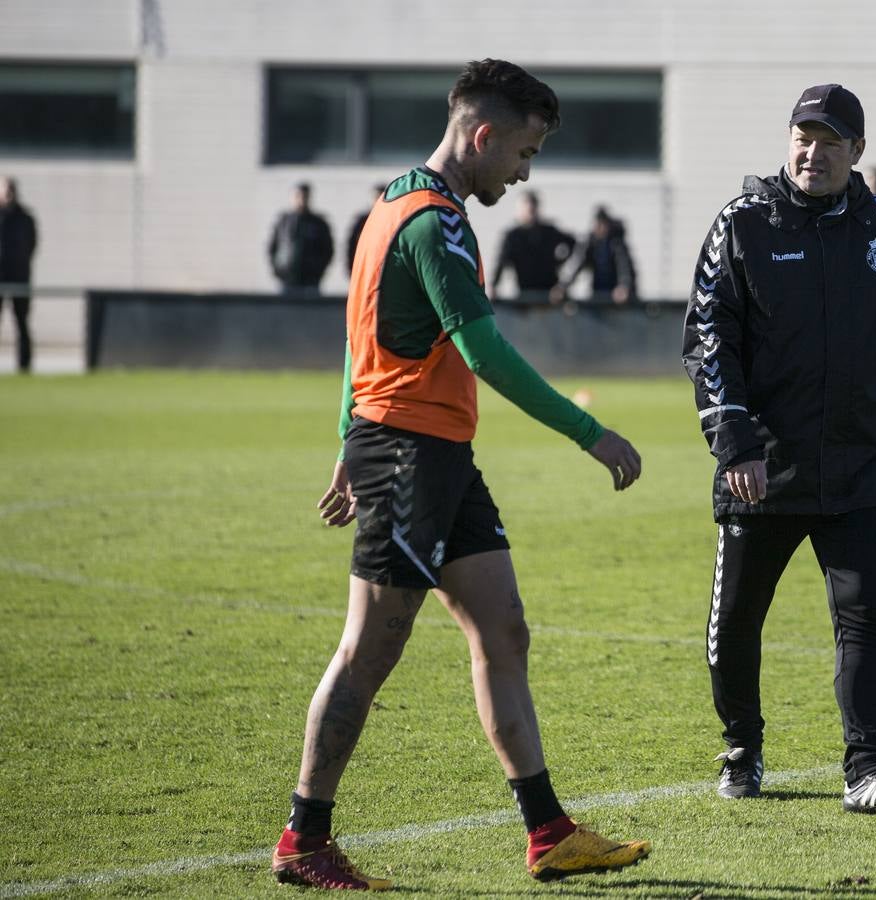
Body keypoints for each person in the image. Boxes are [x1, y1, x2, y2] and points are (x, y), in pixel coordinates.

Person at [271, 59, 650, 891]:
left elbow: (355, 335)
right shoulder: (436, 224)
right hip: (409, 455)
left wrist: (346, 435)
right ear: (482, 136)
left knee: (503, 627)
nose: (523, 173)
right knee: (369, 651)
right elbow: (483, 351)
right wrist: (590, 432)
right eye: (523, 153)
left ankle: (548, 832)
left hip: (427, 451)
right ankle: (304, 841)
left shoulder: (392, 199)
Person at [682, 83, 876, 818]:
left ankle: (868, 768)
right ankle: (742, 745)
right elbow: (710, 343)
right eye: (803, 136)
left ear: (857, 152)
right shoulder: (742, 224)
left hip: (862, 465)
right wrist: (734, 440)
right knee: (738, 620)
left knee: (867, 618)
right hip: (761, 469)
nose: (813, 151)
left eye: (830, 141)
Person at [489, 190, 576, 303]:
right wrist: (494, 285)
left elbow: (573, 243)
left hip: (550, 294)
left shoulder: (549, 231)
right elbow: (501, 261)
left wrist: (560, 262)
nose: (531, 212)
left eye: (533, 209)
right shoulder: (513, 236)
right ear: (520, 210)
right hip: (525, 293)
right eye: (528, 208)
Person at [268, 182, 335, 293]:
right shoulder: (283, 222)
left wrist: (318, 271)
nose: (301, 200)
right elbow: (272, 248)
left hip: (311, 280)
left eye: (304, 196)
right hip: (287, 279)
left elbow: (328, 250)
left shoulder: (318, 223)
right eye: (298, 196)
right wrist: (278, 271)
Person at [0, 177, 38, 373]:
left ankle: (24, 366)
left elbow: (32, 245)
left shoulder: (25, 218)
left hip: (19, 277)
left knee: (22, 323)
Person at [565, 206, 636, 304]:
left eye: (603, 224)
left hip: (616, 295)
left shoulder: (616, 243)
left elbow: (624, 266)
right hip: (598, 293)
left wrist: (623, 286)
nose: (600, 228)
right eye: (597, 224)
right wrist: (563, 286)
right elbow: (578, 264)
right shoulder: (591, 243)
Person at [345, 183, 386, 274]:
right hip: (364, 270)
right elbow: (351, 246)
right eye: (376, 197)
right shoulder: (362, 221)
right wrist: (352, 270)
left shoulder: (392, 220)